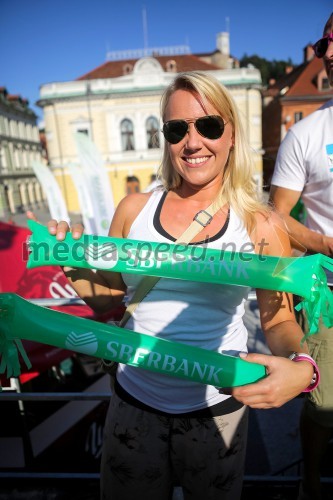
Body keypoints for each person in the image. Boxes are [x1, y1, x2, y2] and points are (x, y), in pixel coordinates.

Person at [36, 71, 318, 500]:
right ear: (165, 138)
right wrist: (68, 263)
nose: (192, 142)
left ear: (231, 135)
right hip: (134, 405)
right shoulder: (133, 209)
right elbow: (111, 299)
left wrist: (304, 367)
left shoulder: (261, 225)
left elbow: (278, 322)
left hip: (217, 410)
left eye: (208, 126)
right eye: (176, 129)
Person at [270, 13, 333, 500]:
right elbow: (276, 219)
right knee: (324, 403)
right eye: (322, 44)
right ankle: (310, 482)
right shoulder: (306, 133)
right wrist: (324, 244)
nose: (327, 54)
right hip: (328, 294)